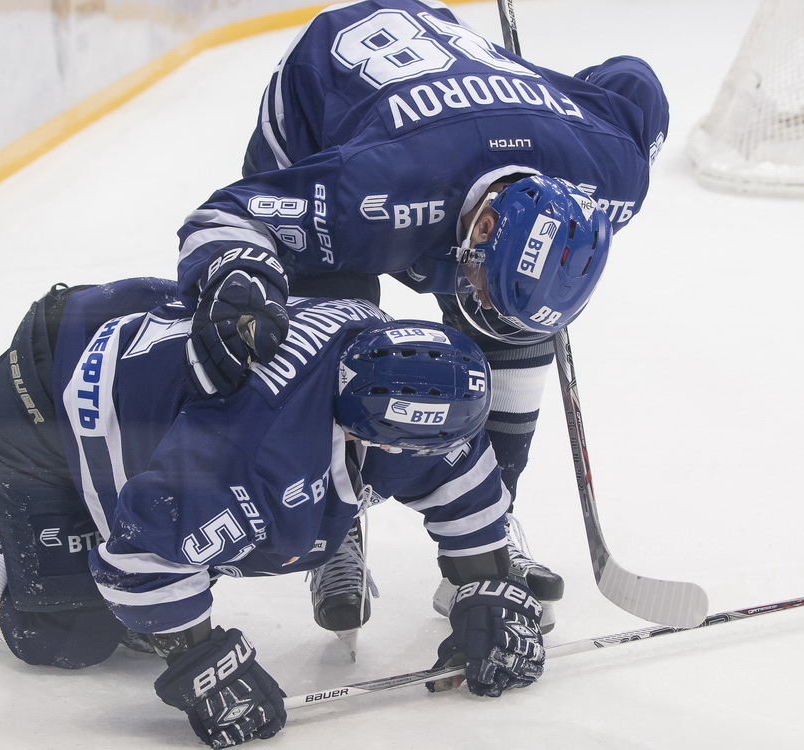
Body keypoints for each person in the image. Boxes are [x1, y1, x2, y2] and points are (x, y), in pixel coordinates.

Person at [0, 278, 545, 749]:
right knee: (70, 637)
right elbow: (138, 560)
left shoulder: (402, 377)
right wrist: (202, 666)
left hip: (128, 367)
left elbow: (460, 481)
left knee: (164, 596)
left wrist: (486, 587)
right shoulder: (253, 451)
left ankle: (34, 530)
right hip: (42, 400)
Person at [175, 0, 669, 621]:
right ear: (482, 224)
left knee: (512, 336)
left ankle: (488, 529)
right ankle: (337, 533)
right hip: (325, 98)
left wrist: (550, 102)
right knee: (333, 330)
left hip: (471, 124)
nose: (482, 307)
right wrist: (239, 277)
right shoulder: (365, 193)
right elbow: (226, 215)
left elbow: (634, 83)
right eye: (484, 285)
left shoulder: (613, 171)